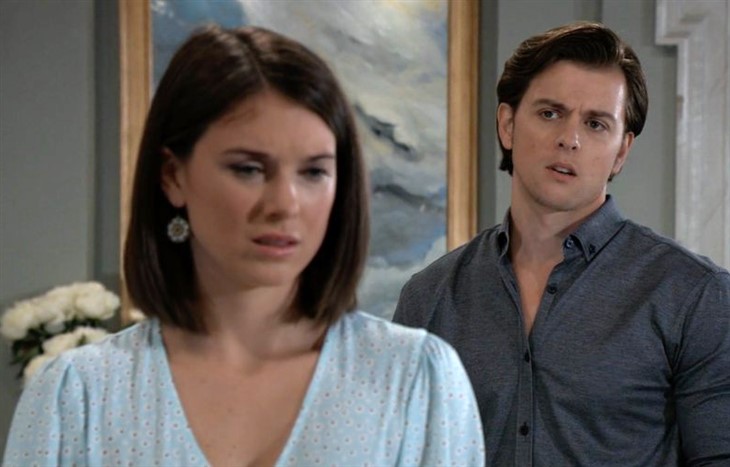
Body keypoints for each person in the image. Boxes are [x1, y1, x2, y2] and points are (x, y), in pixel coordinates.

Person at [4, 25, 484, 466]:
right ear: (172, 176)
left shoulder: (417, 381)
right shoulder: (78, 397)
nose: (284, 204)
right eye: (249, 169)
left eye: (313, 172)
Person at [394, 21, 730, 466]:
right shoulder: (428, 297)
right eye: (550, 113)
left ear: (622, 151)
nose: (569, 139)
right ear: (508, 125)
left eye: (595, 124)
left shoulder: (694, 295)